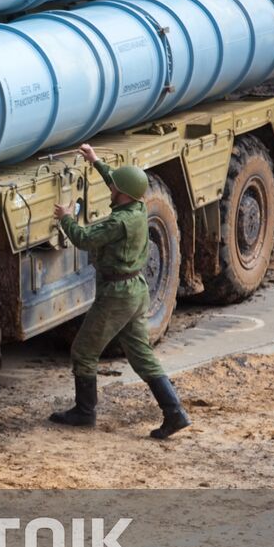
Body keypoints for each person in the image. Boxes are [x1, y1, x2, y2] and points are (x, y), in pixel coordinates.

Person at [50, 144, 191, 439]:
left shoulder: (118, 222)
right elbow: (118, 180)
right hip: (135, 290)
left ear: (123, 193)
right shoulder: (137, 206)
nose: (111, 188)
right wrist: (95, 161)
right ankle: (175, 412)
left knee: (84, 351)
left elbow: (84, 239)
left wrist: (65, 217)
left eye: (114, 187)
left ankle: (84, 412)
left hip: (117, 294)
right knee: (141, 355)